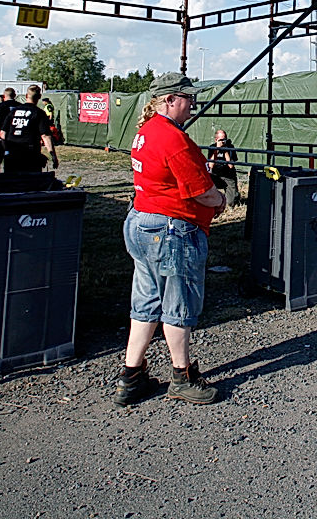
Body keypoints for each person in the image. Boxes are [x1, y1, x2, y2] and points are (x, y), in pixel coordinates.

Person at [114, 73, 226, 406]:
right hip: (171, 229)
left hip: (143, 221)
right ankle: (182, 376)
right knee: (179, 303)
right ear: (170, 100)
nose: (193, 103)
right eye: (187, 98)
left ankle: (131, 375)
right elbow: (201, 191)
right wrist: (220, 200)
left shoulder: (146, 131)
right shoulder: (173, 139)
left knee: (146, 301)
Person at [0, 85, 59, 174]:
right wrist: (53, 155)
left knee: (11, 180)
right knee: (30, 180)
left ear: (26, 95)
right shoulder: (39, 113)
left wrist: (6, 150)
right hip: (30, 153)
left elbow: (2, 133)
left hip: (12, 151)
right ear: (39, 97)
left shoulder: (14, 111)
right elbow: (45, 136)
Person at [207, 128, 239, 207]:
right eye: (221, 140)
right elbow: (210, 165)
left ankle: (235, 195)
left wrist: (225, 150)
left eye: (224, 139)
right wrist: (217, 149)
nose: (223, 142)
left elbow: (231, 165)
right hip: (215, 175)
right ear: (216, 140)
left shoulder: (230, 147)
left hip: (228, 175)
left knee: (231, 202)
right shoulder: (212, 147)